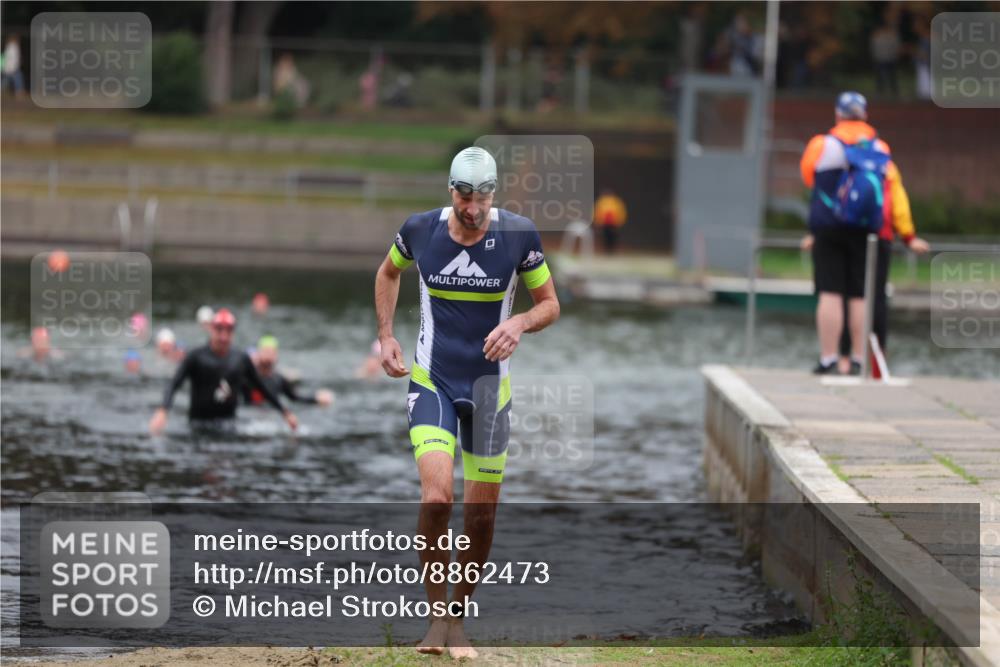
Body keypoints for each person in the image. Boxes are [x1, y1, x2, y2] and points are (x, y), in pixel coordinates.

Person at [374, 147, 559, 658]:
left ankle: (458, 621)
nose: (472, 207)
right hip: (431, 381)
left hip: (489, 394)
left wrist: (519, 322)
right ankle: (436, 619)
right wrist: (386, 336)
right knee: (438, 500)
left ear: (493, 194)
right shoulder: (420, 230)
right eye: (463, 196)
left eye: (481, 196)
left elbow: (550, 305)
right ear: (450, 191)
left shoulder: (518, 235)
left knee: (480, 520)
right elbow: (387, 274)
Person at [799, 92, 929, 375]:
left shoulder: (822, 144)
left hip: (830, 228)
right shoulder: (880, 147)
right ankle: (859, 358)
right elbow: (894, 192)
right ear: (865, 116)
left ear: (838, 115)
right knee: (861, 295)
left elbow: (808, 176)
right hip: (867, 230)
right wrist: (907, 233)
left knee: (830, 292)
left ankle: (830, 358)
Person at [148, 309, 297, 435]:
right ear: (211, 329)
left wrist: (285, 413)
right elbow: (173, 384)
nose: (223, 336)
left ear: (233, 332)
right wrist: (163, 411)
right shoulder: (195, 356)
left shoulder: (241, 359)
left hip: (228, 425)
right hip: (198, 426)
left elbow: (261, 387)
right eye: (219, 330)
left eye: (228, 331)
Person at [243, 336, 334, 407]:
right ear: (258, 355)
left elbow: (294, 398)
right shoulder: (247, 377)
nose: (268, 356)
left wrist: (316, 399)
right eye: (266, 352)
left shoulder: (279, 379)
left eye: (272, 353)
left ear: (276, 356)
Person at [593, 189, 628, 254]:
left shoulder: (615, 201)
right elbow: (597, 212)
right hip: (605, 223)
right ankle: (607, 251)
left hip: (614, 223)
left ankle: (612, 251)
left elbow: (621, 212)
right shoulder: (602, 201)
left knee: (613, 237)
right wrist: (597, 221)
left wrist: (620, 221)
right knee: (605, 237)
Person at [2, 34, 24, 99]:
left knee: (6, 80)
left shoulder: (11, 46)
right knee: (17, 78)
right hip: (12, 67)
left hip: (11, 67)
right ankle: (19, 91)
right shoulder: (12, 46)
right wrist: (11, 67)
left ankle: (19, 91)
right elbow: (11, 58)